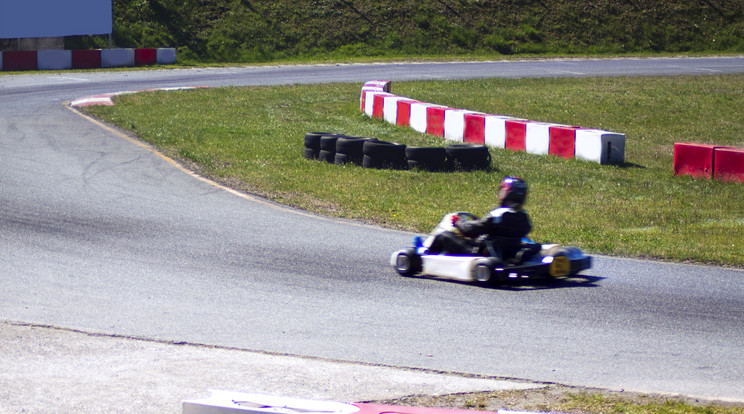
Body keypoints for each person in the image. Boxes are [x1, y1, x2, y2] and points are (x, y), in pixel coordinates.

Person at [426, 176, 532, 259]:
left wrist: (458, 222)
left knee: (443, 236)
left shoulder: (498, 215)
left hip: (479, 253)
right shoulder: (523, 216)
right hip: (507, 253)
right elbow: (488, 228)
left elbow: (470, 230)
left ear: (506, 193)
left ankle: (424, 256)